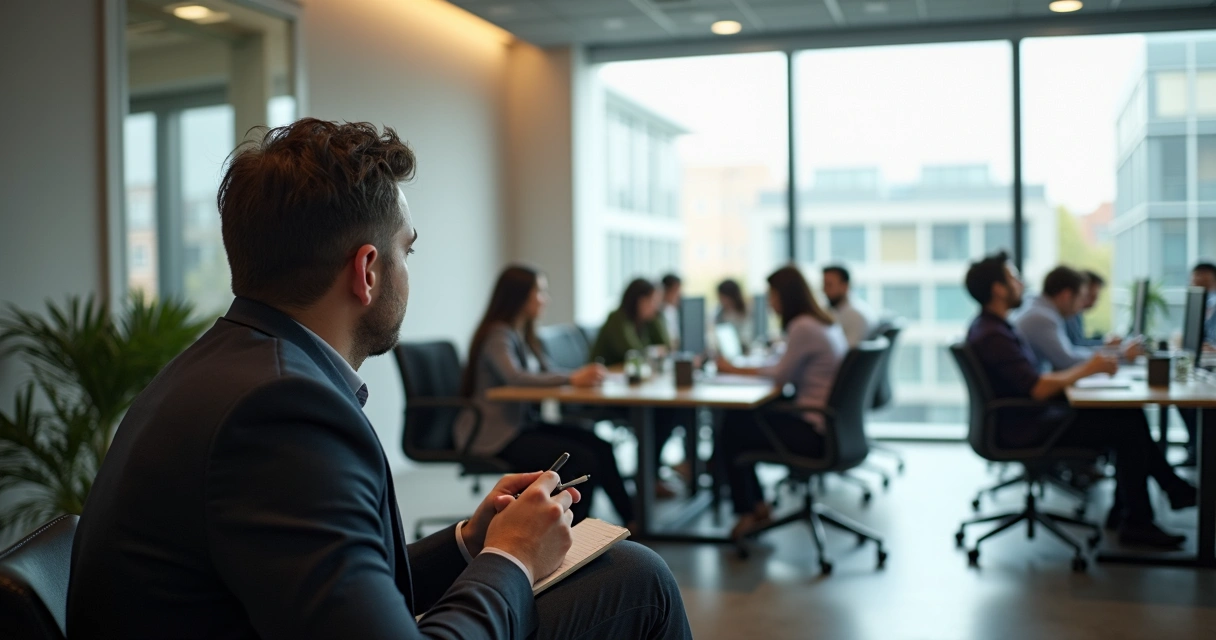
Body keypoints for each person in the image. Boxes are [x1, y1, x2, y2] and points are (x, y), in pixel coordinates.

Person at [66, 119, 692, 639]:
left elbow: (346, 583)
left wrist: (472, 542)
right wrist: (512, 556)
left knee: (626, 571)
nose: (408, 269)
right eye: (407, 250)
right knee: (640, 583)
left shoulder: (223, 368)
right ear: (367, 270)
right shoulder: (282, 412)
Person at [964, 251, 1195, 549]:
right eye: (1014, 278)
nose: (1022, 283)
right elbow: (1037, 388)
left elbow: (1035, 381)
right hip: (1024, 428)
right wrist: (1088, 369)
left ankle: (1136, 508)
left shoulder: (994, 327)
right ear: (998, 289)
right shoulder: (994, 334)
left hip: (1026, 419)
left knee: (1127, 416)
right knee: (1127, 425)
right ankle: (1145, 514)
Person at [457, 265, 635, 528]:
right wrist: (572, 379)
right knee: (582, 459)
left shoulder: (522, 335)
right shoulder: (498, 334)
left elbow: (546, 371)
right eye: (539, 292)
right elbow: (515, 377)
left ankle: (632, 519)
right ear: (519, 296)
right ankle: (575, 532)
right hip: (496, 435)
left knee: (600, 446)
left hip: (521, 426)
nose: (545, 299)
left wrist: (577, 376)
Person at [715, 266, 847, 540]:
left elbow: (780, 375)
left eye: (772, 296)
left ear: (786, 296)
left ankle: (748, 511)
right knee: (741, 419)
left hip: (814, 432)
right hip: (833, 429)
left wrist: (732, 369)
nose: (770, 303)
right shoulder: (823, 321)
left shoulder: (803, 326)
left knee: (732, 426)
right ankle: (757, 506)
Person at [1016, 266, 1142, 371]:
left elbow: (1072, 351)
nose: (1082, 304)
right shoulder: (1042, 318)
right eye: (1081, 298)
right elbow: (1068, 361)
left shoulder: (1038, 307)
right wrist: (1121, 355)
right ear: (1066, 296)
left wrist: (1114, 351)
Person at [590, 278, 671, 365]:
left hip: (627, 370)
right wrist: (654, 351)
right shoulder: (617, 318)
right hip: (606, 370)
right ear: (639, 301)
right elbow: (632, 353)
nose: (657, 307)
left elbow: (666, 346)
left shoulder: (645, 321)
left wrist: (658, 316)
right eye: (653, 301)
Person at [822, 264, 875, 347]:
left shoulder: (855, 316)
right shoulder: (836, 309)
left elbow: (846, 350)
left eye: (829, 285)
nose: (824, 290)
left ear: (845, 286)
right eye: (824, 285)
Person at [1065, 270, 1107, 347]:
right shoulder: (1069, 313)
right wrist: (1105, 344)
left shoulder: (1077, 313)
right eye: (1092, 296)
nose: (1094, 302)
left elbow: (1079, 340)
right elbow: (1076, 344)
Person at [715, 278, 753, 347]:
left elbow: (747, 337)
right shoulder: (719, 314)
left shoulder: (746, 312)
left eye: (723, 297)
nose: (721, 300)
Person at [660, 273, 683, 349]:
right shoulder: (658, 313)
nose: (679, 295)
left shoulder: (674, 311)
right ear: (665, 291)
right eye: (675, 291)